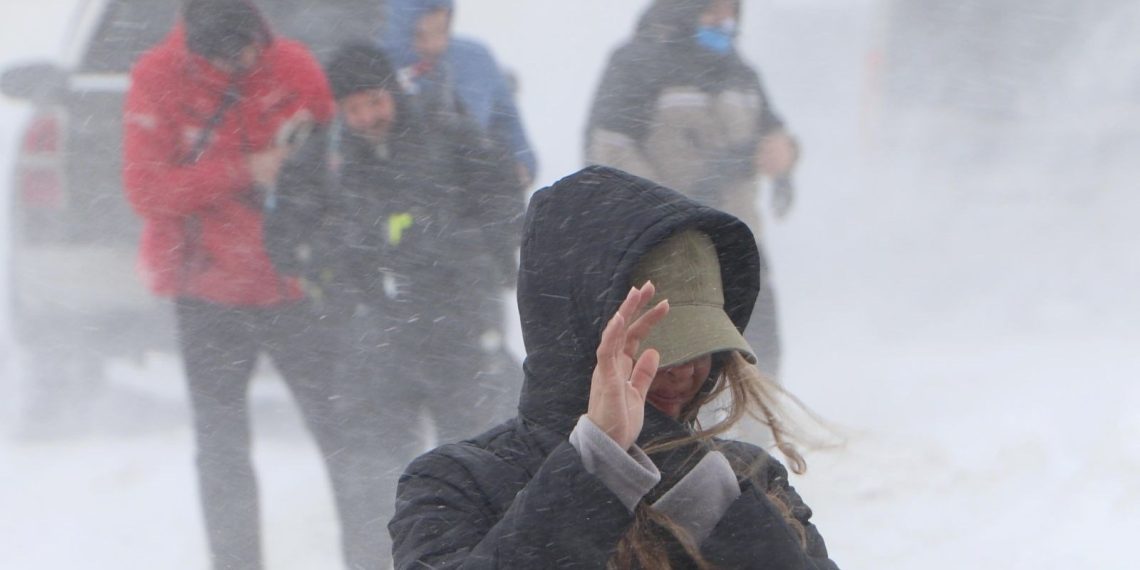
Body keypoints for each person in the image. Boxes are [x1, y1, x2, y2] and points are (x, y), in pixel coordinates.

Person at [389, 166, 837, 568]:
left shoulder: (745, 479)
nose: (684, 371)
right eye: (658, 347)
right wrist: (595, 469)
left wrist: (708, 502)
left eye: (701, 344)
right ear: (579, 343)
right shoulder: (459, 484)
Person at [268, 43, 524, 566]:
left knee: (481, 471)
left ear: (395, 91)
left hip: (459, 335)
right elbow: (284, 239)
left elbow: (506, 204)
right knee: (374, 487)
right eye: (355, 109)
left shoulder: (448, 134)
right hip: (372, 346)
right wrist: (336, 258)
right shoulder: (323, 157)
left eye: (375, 103)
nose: (368, 118)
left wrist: (459, 251)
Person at [121, 1, 348, 568]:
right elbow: (146, 190)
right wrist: (243, 170)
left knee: (345, 433)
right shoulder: (157, 78)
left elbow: (343, 165)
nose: (250, 61)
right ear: (203, 52)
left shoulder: (293, 65)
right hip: (205, 289)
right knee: (222, 451)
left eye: (253, 49)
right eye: (234, 58)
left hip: (295, 287)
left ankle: (370, 555)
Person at [584, 0, 799, 377]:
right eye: (712, 10)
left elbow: (772, 133)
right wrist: (673, 212)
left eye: (731, 11)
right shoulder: (637, 64)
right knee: (674, 374)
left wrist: (785, 155)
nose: (724, 21)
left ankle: (754, 437)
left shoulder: (740, 72)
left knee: (756, 366)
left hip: (739, 246)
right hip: (666, 253)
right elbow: (608, 152)